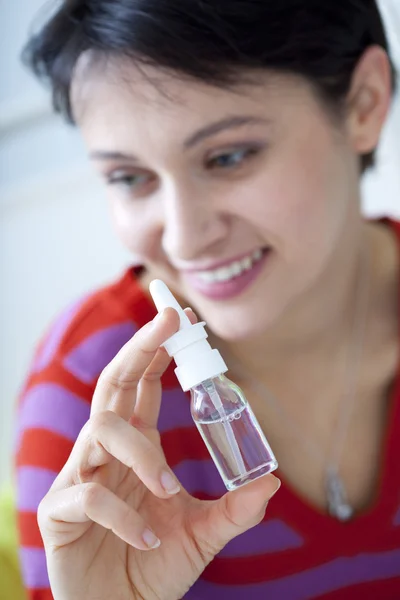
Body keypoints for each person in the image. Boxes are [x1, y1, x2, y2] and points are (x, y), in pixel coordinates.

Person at [15, 1, 400, 598]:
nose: (183, 237)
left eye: (228, 156)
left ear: (363, 104)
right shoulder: (90, 392)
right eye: (129, 177)